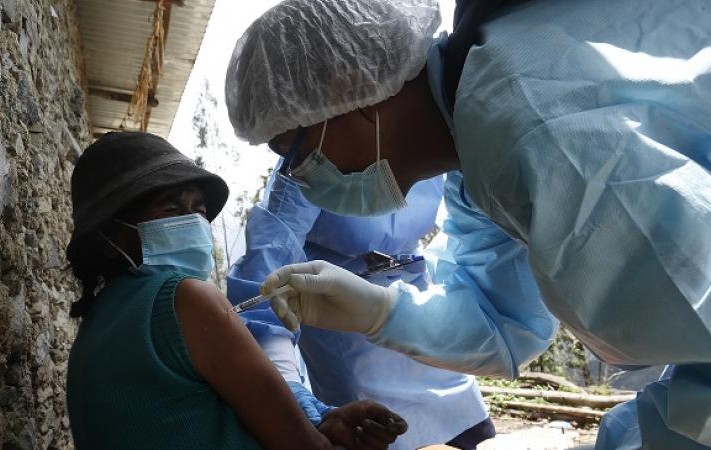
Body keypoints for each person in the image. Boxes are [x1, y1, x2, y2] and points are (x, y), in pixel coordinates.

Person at [224, 1, 711, 449]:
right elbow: (505, 318)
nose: (298, 177)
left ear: (351, 93)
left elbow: (694, 315)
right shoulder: (474, 145)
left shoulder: (537, 138)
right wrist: (381, 311)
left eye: (296, 151)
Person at [64, 132, 408, 450]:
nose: (193, 221)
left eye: (199, 209)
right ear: (109, 238)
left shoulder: (92, 335)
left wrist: (321, 417)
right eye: (170, 208)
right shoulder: (184, 299)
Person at [228, 168, 499, 450]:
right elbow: (264, 271)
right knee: (379, 431)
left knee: (465, 429)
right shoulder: (308, 162)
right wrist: (289, 391)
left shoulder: (443, 158)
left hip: (420, 314)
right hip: (345, 332)